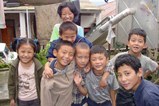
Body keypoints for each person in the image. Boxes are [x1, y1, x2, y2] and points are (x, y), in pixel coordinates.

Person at [109, 28, 159, 106]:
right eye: (133, 40)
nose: (136, 43)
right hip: (123, 92)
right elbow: (108, 66)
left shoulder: (146, 60)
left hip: (138, 89)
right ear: (128, 43)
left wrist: (145, 75)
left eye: (140, 41)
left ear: (145, 45)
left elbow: (155, 66)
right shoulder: (120, 56)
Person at [8, 38, 44, 106]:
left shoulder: (38, 67)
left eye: (29, 52)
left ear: (34, 52)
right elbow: (11, 84)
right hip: (21, 100)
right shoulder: (14, 67)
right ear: (17, 51)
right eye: (23, 51)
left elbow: (43, 83)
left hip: (36, 99)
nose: (26, 55)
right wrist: (12, 98)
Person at [40, 40, 75, 106]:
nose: (67, 56)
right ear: (55, 53)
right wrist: (47, 67)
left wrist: (46, 65)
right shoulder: (47, 76)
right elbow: (45, 101)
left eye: (71, 54)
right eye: (64, 52)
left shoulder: (71, 65)